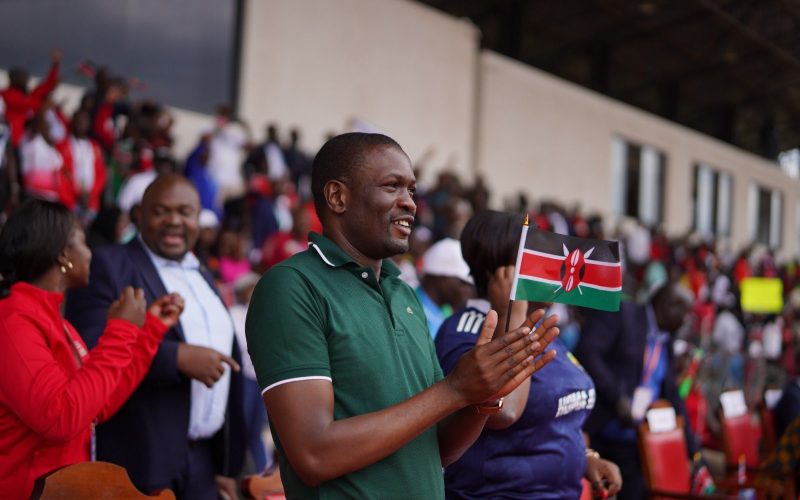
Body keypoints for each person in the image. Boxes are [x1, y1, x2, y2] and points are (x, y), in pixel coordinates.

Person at [245, 132, 559, 498]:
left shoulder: (403, 293)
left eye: (411, 190)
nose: (409, 203)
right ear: (337, 196)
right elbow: (314, 455)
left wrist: (482, 398)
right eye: (392, 186)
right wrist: (455, 388)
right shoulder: (292, 287)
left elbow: (437, 450)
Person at [65, 175, 246, 499]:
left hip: (203, 462)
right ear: (139, 216)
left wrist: (228, 467)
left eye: (185, 212)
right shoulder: (109, 264)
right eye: (161, 211)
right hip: (140, 459)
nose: (174, 221)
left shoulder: (203, 271)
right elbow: (87, 347)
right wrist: (175, 357)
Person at [0, 199, 183, 498]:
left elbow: (97, 405)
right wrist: (121, 329)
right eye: (83, 242)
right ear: (64, 256)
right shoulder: (12, 320)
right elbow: (61, 418)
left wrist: (149, 331)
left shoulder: (57, 321)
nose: (91, 253)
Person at [435, 210, 622, 498]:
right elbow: (505, 411)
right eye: (537, 261)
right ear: (499, 272)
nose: (553, 271)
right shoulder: (466, 330)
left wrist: (587, 458)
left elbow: (560, 415)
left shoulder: (540, 327)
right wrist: (513, 313)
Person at [576, 282, 698, 500]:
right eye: (685, 312)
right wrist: (617, 398)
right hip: (599, 430)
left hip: (635, 439)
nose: (687, 320)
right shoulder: (623, 314)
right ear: (667, 305)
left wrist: (694, 450)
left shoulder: (666, 339)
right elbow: (588, 353)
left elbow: (672, 395)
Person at [416, 237, 475, 339]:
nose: (468, 291)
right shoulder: (409, 309)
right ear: (441, 278)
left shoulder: (447, 312)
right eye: (463, 283)